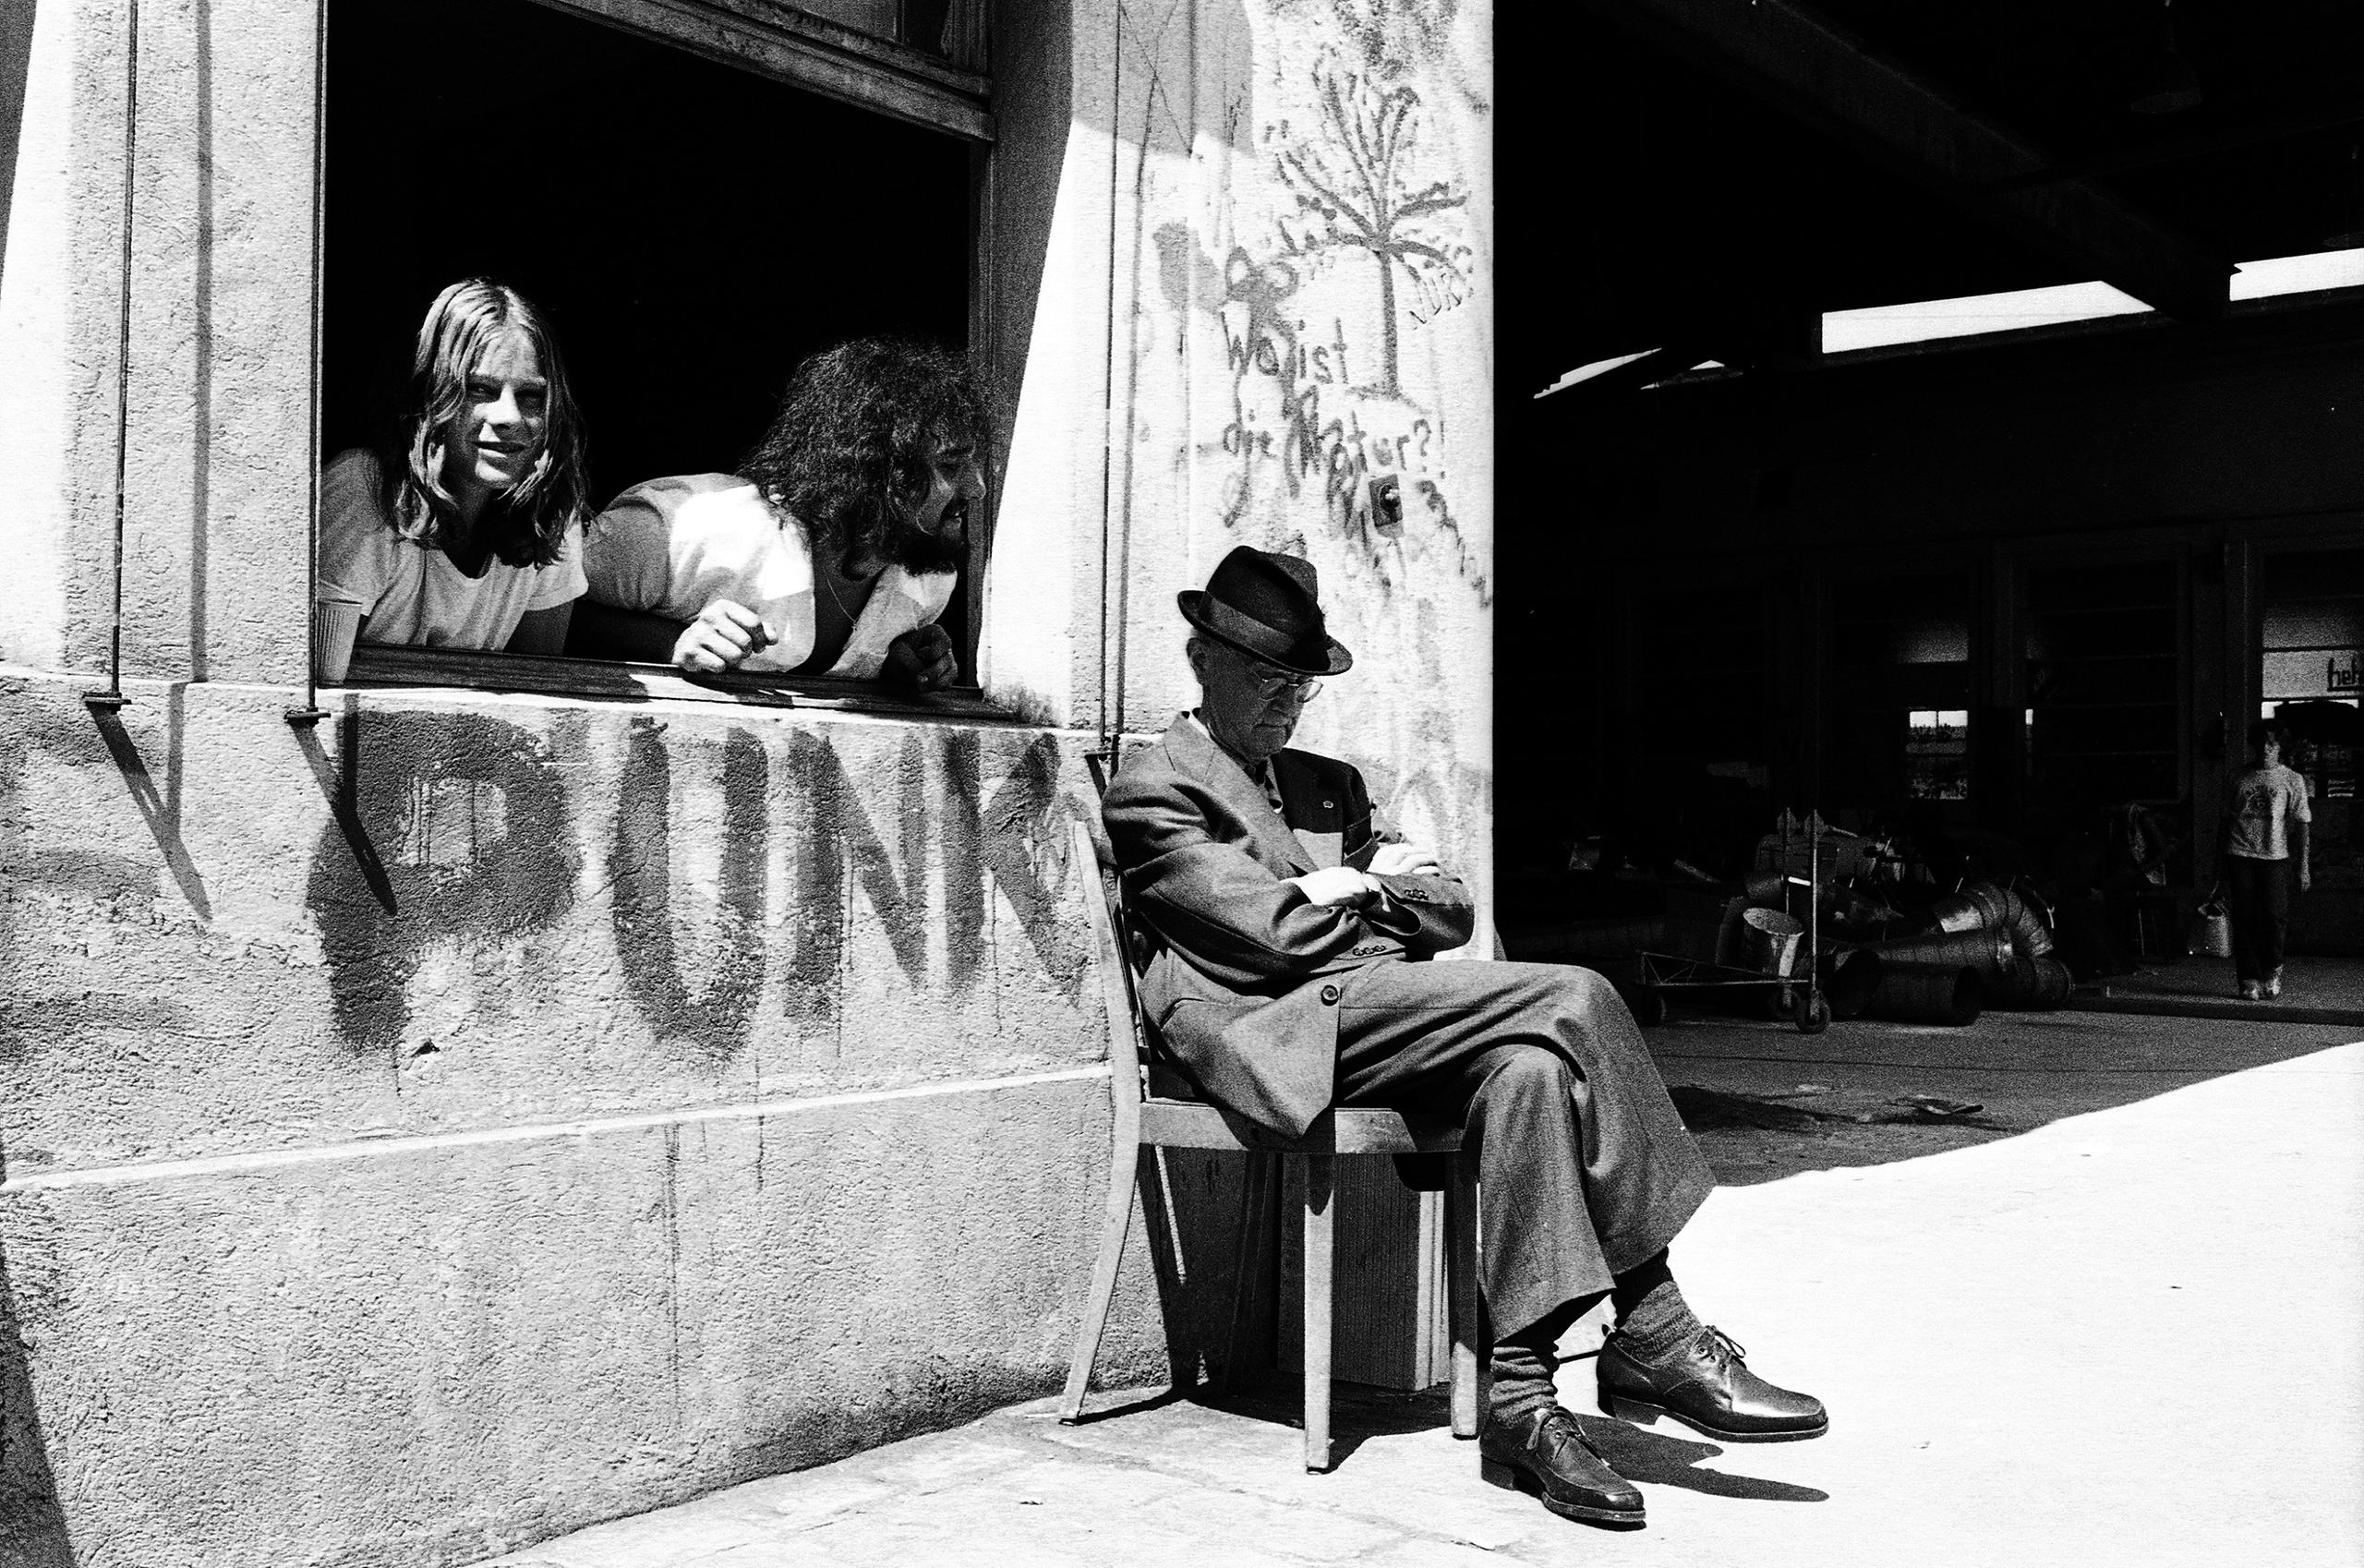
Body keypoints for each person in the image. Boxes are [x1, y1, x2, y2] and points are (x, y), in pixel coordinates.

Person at [1101, 547, 1825, 1531]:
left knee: (1527, 1070)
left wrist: (1353, 891)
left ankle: (1522, 1405)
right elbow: (1270, 942)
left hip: (1376, 1009)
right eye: (1267, 681)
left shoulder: (1326, 787)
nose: (1286, 707)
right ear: (1202, 660)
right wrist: (1364, 899)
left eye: (1301, 688)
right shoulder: (1159, 786)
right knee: (1571, 994)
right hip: (1271, 1032)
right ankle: (1653, 1324)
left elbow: (1447, 904)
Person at [572, 338, 985, 689]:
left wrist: (892, 669)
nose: (977, 489)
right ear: (869, 469)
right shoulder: (681, 528)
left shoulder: (929, 579)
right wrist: (669, 644)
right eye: (950, 465)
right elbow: (538, 611)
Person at [320, 279, 592, 654]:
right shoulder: (366, 488)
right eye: (479, 389)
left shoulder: (551, 510)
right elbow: (320, 677)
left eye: (531, 396)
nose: (508, 416)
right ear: (429, 394)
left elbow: (541, 680)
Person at [2219, 719, 2311, 1000]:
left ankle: (2272, 970)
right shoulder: (2238, 776)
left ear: (2280, 747)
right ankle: (2248, 977)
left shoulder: (2292, 779)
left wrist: (2304, 865)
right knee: (2244, 916)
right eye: (2260, 742)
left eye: (2271, 743)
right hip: (2240, 853)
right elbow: (2225, 821)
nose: (2265, 749)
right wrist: (2217, 867)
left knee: (2274, 916)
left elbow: (2302, 823)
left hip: (2275, 855)